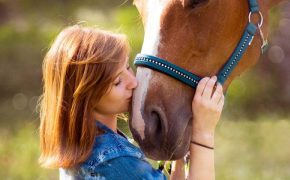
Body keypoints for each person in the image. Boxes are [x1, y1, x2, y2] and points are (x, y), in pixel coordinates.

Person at [39, 25, 224, 180]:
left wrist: (179, 153)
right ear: (86, 96)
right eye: (117, 82)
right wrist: (203, 132)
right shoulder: (113, 159)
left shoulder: (83, 145)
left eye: (128, 67)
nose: (133, 82)